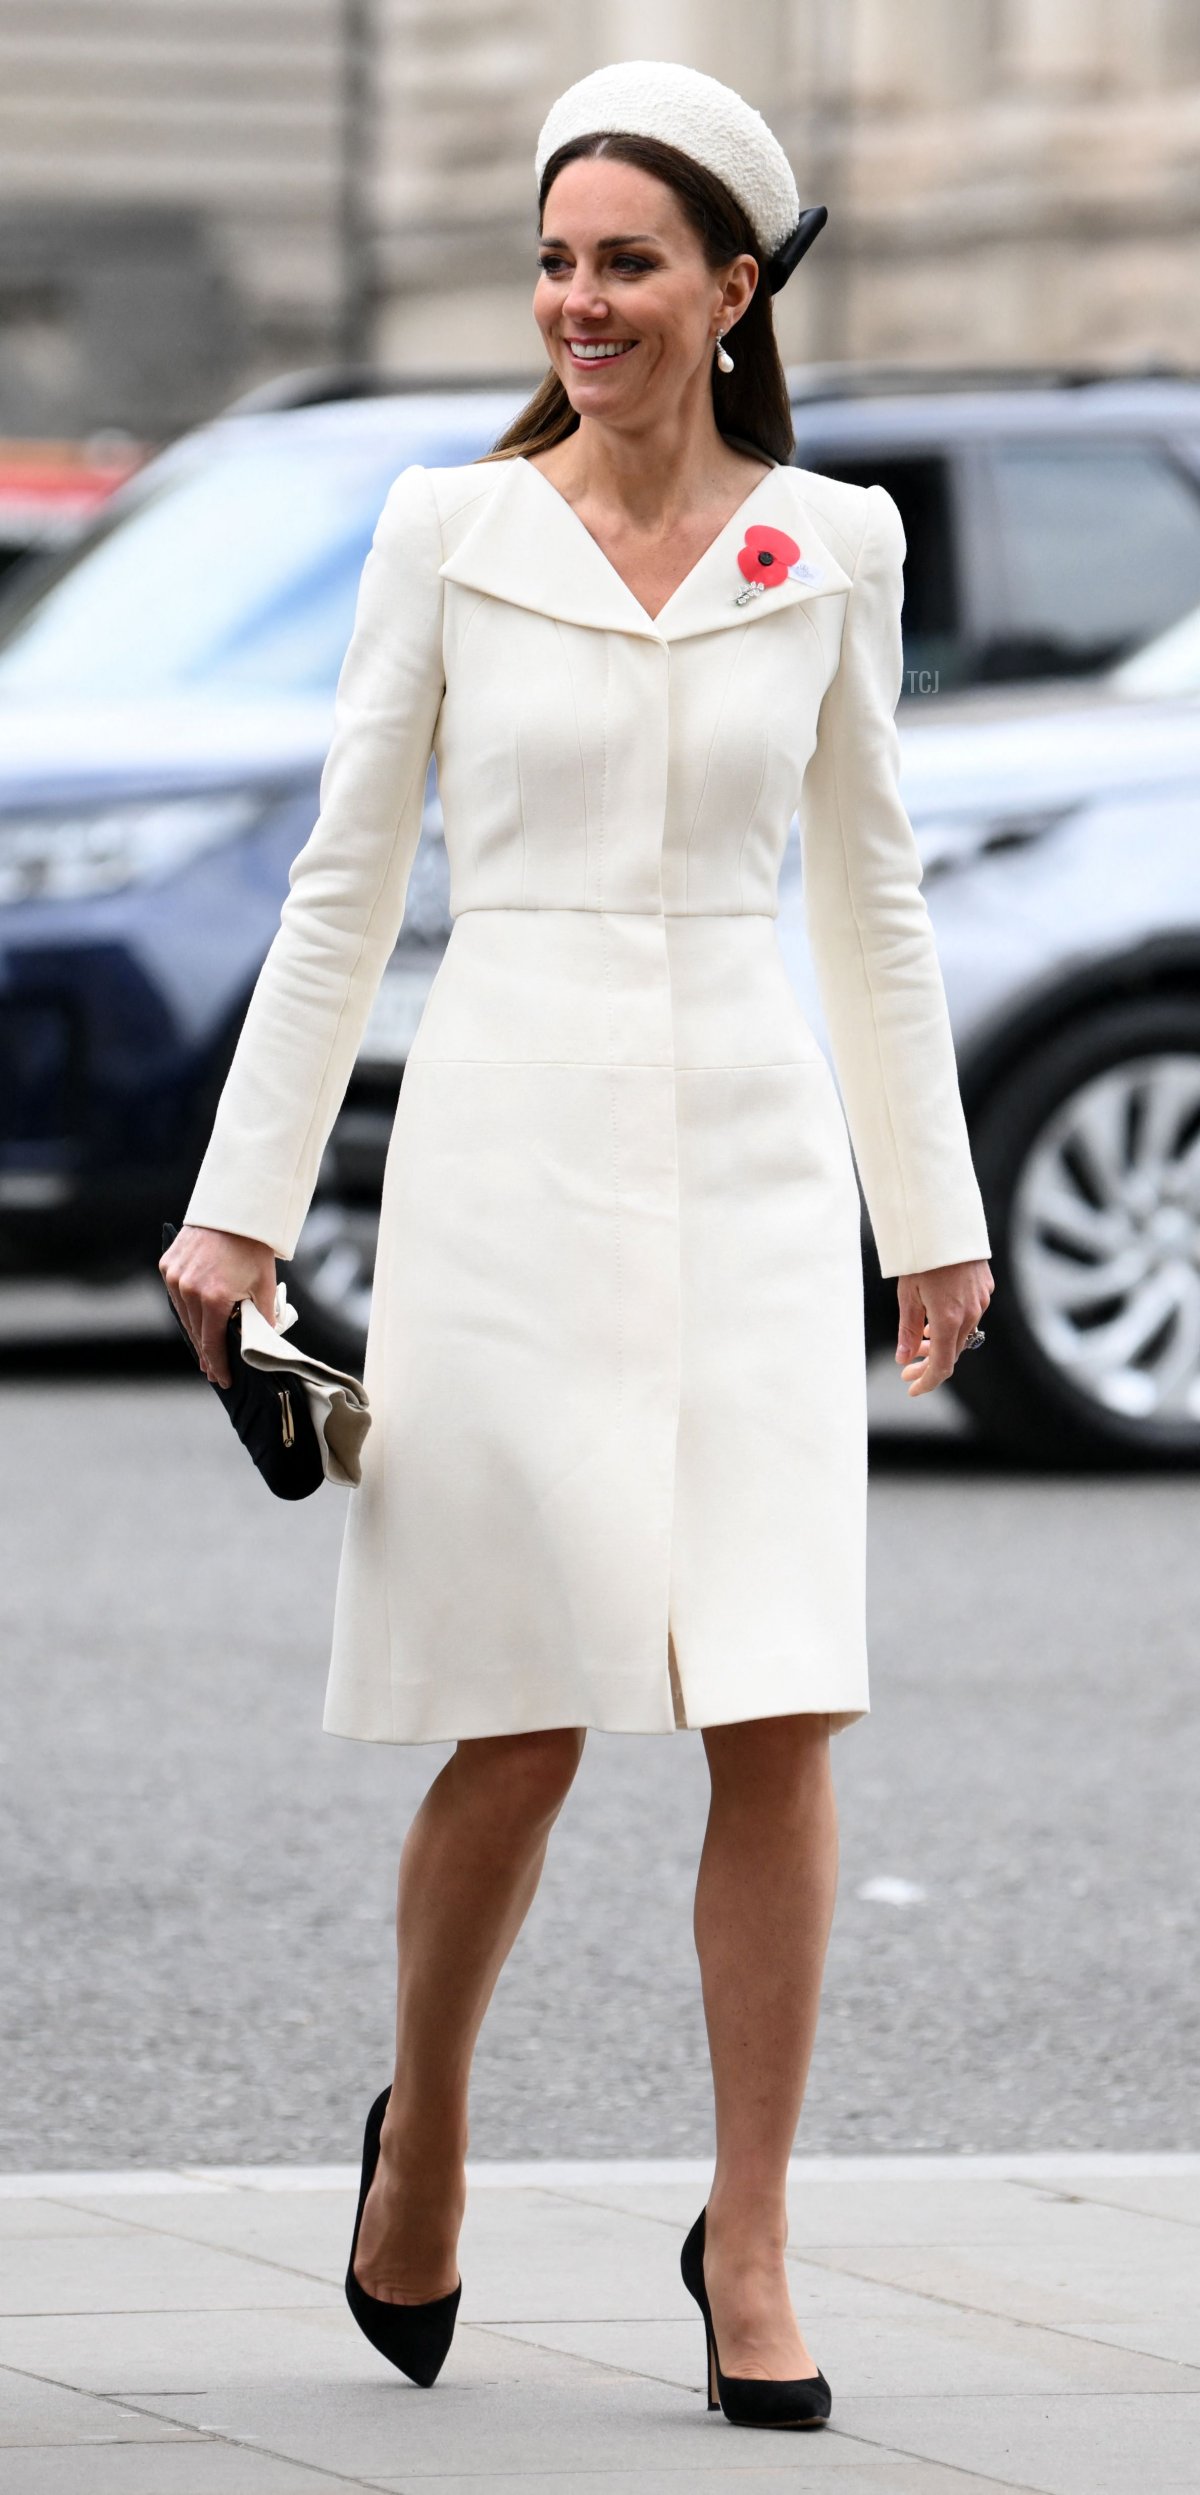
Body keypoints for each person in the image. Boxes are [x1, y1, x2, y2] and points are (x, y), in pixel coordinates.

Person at [160, 59, 992, 2432]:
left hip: (749, 1153)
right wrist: (237, 1201)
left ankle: (754, 2236)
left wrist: (926, 1212)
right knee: (516, 1717)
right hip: (507, 1157)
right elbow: (341, 889)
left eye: (629, 261)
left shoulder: (832, 545)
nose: (580, 302)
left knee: (777, 1702)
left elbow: (876, 901)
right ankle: (422, 2129)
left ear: (738, 288)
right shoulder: (447, 526)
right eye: (557, 262)